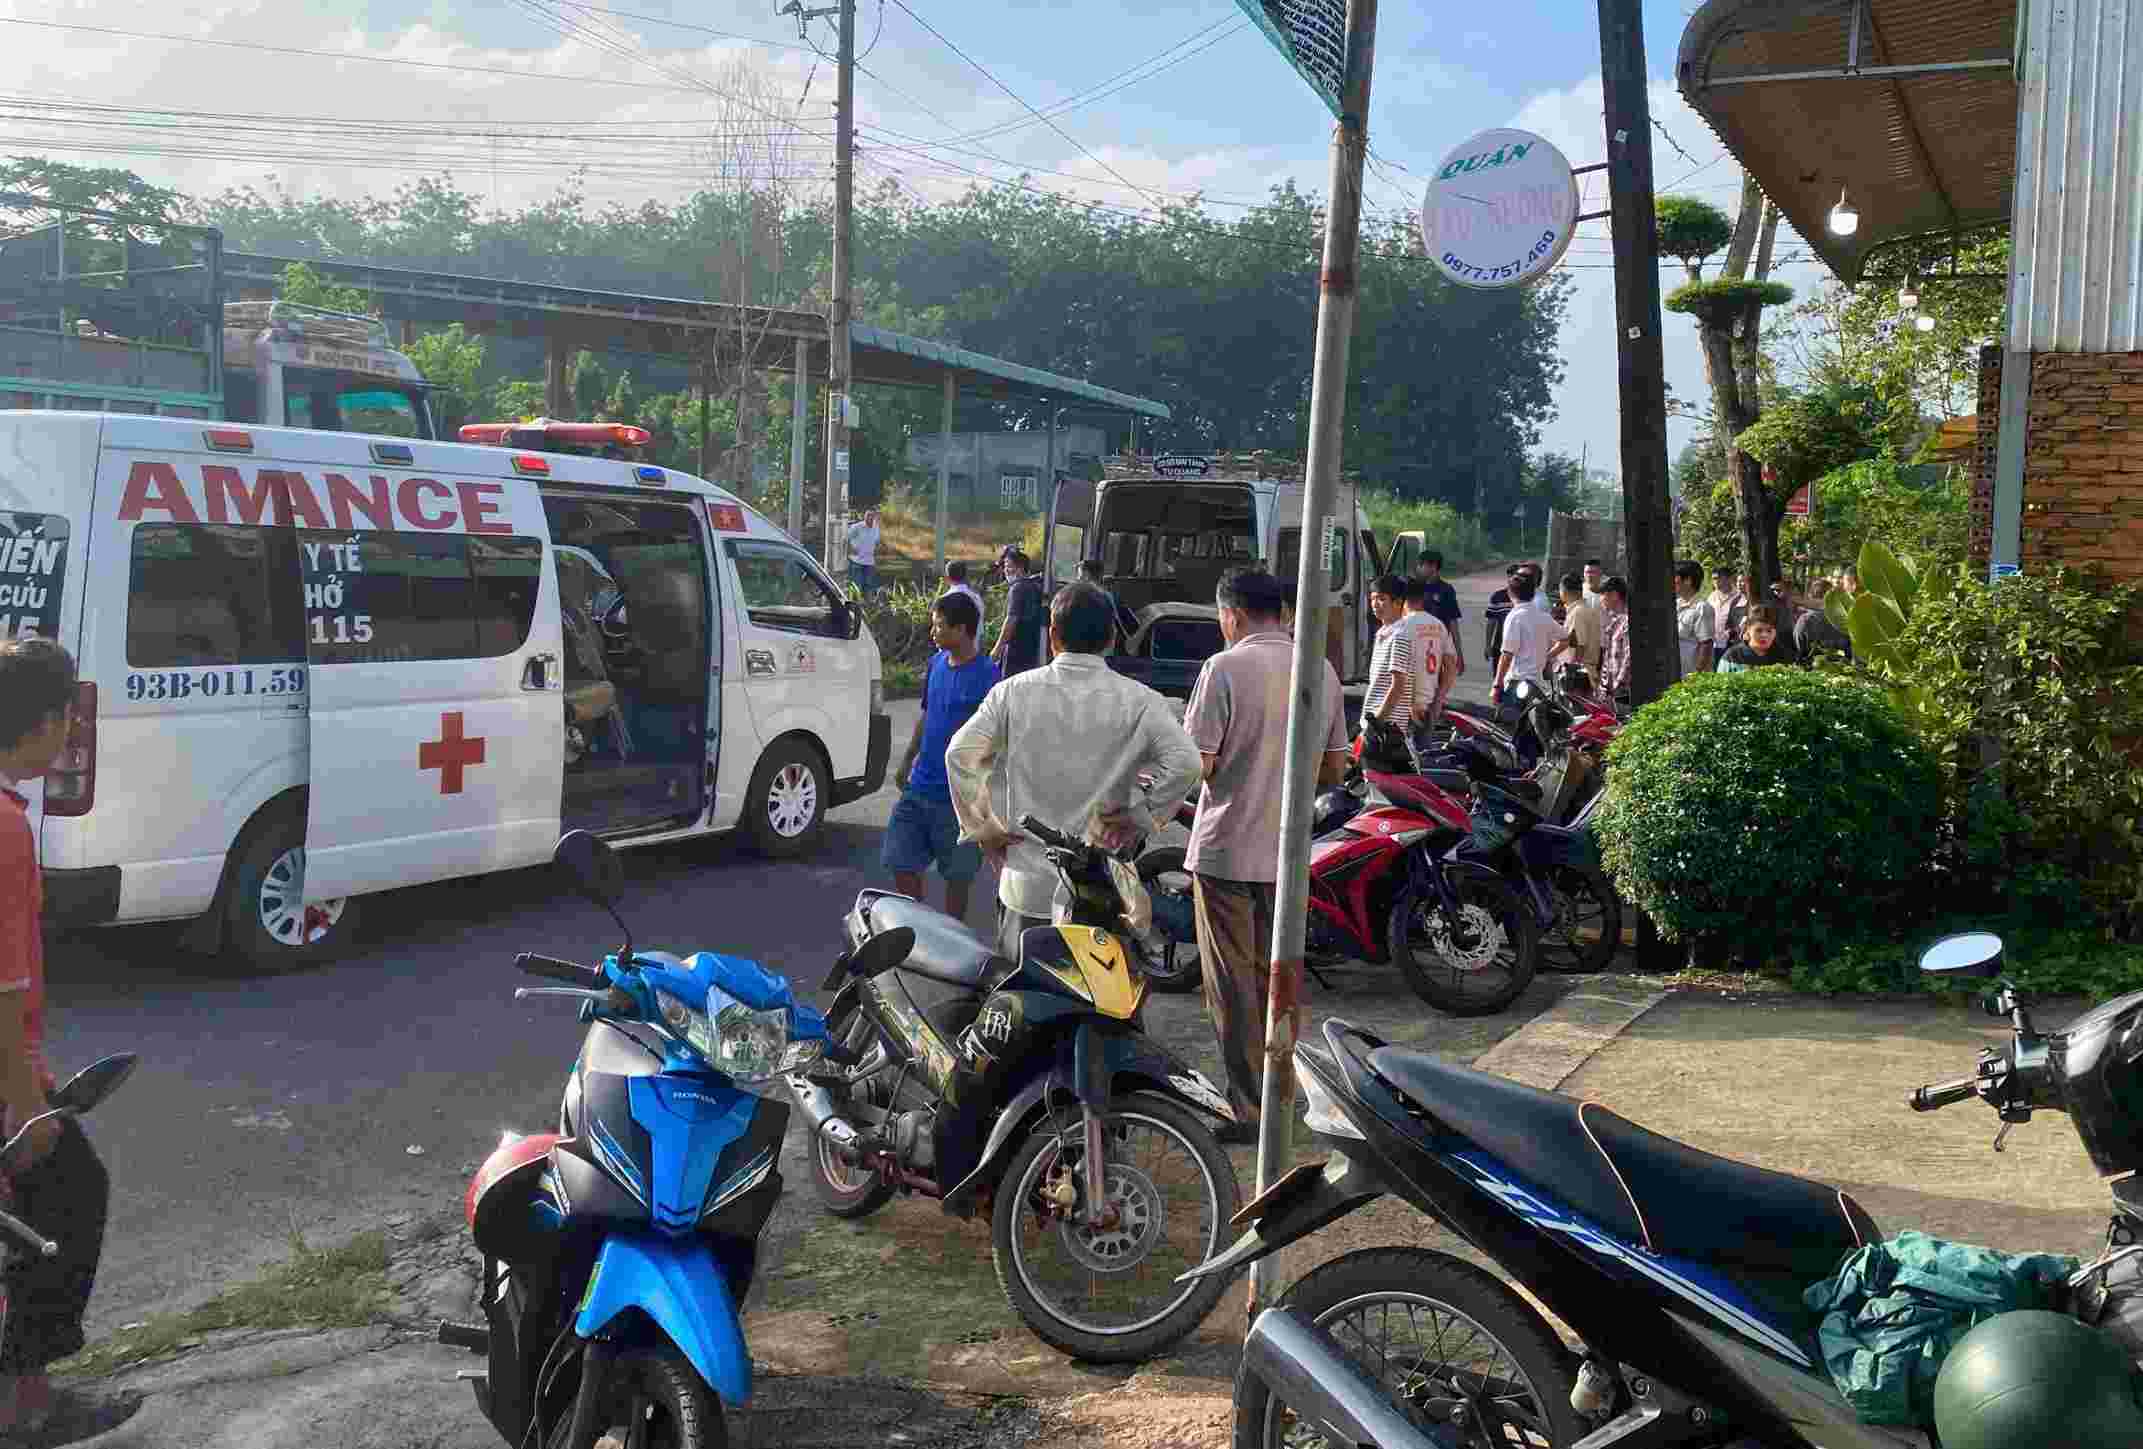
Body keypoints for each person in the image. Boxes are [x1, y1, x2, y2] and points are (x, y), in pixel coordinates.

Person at [947, 583, 1201, 959]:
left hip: (1026, 890)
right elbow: (1187, 763)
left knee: (1022, 1006)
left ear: (1053, 635)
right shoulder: (1140, 701)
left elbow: (959, 755)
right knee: (1102, 1012)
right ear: (1112, 639)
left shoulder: (1012, 692)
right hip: (1103, 894)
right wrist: (1140, 815)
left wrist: (985, 830)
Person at [1182, 568, 1347, 1140]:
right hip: (1290, 855)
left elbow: (1198, 763)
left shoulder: (1223, 668)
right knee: (1276, 977)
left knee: (1232, 983)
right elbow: (1333, 767)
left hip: (1226, 851)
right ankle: (1281, 1093)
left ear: (1232, 614)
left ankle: (1248, 1106)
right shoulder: (1320, 671)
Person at [0, 640, 110, 1439]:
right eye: (67, 713)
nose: (71, 728)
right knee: (70, 1192)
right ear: (38, 722)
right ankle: (26, 1401)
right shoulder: (6, 829)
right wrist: (25, 1104)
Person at [884, 594, 1000, 921]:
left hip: (960, 797)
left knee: (957, 878)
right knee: (899, 859)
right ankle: (922, 924)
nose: (932, 632)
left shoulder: (988, 675)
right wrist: (908, 760)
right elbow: (927, 714)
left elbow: (997, 738)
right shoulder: (935, 664)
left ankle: (952, 934)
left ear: (961, 630)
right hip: (920, 786)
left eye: (938, 626)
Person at [1400, 576, 1458, 770]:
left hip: (1406, 707)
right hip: (1430, 703)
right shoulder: (1439, 625)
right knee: (1423, 763)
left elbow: (1403, 670)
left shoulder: (1401, 627)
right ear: (1423, 597)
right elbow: (1451, 667)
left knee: (1402, 766)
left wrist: (1410, 703)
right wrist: (1438, 700)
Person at [1492, 566, 1554, 714]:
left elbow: (1507, 653)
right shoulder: (1542, 615)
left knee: (1508, 726)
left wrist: (1497, 684)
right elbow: (1565, 638)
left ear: (1510, 592)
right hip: (1538, 685)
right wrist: (1547, 656)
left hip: (1517, 683)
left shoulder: (1515, 616)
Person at [1360, 574, 1416, 734]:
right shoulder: (1384, 633)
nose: (1375, 604)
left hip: (1386, 727)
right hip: (1374, 723)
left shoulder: (1400, 635)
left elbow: (1398, 685)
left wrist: (1377, 721)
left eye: (1381, 599)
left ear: (1398, 602)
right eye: (1372, 599)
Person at [989, 549, 1047, 679]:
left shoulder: (1018, 588)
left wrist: (997, 649)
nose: (1005, 571)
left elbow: (1011, 619)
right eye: (1005, 567)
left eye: (1009, 566)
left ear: (1020, 568)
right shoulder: (1035, 586)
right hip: (1031, 648)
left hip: (1015, 649)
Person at [1412, 551, 1465, 679]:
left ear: (1433, 566)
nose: (1418, 568)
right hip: (1415, 644)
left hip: (1437, 646)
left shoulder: (1446, 590)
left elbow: (1453, 622)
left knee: (1436, 682)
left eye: (1421, 565)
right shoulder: (1413, 587)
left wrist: (1458, 654)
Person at [1546, 570, 1602, 680]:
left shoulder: (1578, 612)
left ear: (1564, 591)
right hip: (1584, 671)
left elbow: (1579, 645)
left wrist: (1573, 672)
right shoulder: (1585, 609)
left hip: (1579, 676)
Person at [1076, 559, 1137, 649]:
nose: (1078, 579)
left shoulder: (1083, 600)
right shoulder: (1112, 598)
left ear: (1087, 576)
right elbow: (1133, 627)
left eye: (1080, 576)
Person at [1718, 605, 1792, 672]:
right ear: (1748, 630)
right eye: (1758, 630)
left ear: (1775, 632)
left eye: (1769, 631)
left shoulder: (1785, 656)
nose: (1764, 635)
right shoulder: (1732, 656)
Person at [1674, 561, 1717, 678]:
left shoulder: (1702, 608)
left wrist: (1697, 674)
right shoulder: (1675, 605)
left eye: (1675, 577)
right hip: (1677, 674)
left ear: (1688, 580)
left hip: (1692, 677)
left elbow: (1706, 644)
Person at [1795, 578, 1853, 660]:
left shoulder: (1805, 620)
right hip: (1843, 667)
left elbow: (1800, 647)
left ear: (1810, 596)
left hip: (1812, 667)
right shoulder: (1845, 619)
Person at [1595, 575, 1631, 701]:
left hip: (1623, 693)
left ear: (1614, 595)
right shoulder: (1614, 621)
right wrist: (1604, 688)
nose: (1601, 599)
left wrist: (1617, 686)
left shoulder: (1628, 621)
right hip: (1612, 692)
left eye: (1603, 594)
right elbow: (1608, 658)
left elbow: (1628, 658)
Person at [1708, 566, 1745, 668]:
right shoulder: (1711, 596)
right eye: (1713, 579)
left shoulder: (1739, 596)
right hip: (1714, 644)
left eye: (1718, 578)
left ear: (1729, 578)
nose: (1715, 582)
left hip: (1732, 643)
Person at [1483, 562, 1520, 663]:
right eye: (1511, 575)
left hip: (1521, 649)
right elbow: (1491, 623)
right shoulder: (1497, 597)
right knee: (1498, 677)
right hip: (1500, 646)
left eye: (1517, 577)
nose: (1513, 579)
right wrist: (1487, 645)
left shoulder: (1528, 598)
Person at [846, 506, 882, 596]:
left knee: (869, 586)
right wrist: (850, 548)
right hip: (856, 561)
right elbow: (846, 538)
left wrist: (878, 552)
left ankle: (867, 606)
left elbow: (877, 542)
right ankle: (854, 605)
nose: (868, 517)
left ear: (874, 517)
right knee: (857, 586)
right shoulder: (857, 527)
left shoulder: (876, 528)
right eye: (866, 515)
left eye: (870, 515)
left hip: (870, 562)